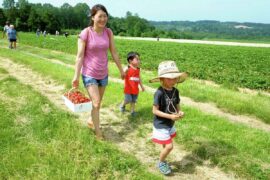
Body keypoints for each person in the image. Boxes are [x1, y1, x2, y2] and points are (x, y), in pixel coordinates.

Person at [72, 4, 125, 140]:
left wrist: (121, 69)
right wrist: (76, 76)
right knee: (95, 103)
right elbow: (79, 56)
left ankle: (91, 120)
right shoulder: (86, 33)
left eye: (105, 16)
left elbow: (114, 52)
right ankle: (98, 132)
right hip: (89, 73)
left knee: (98, 103)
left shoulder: (108, 32)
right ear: (93, 17)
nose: (103, 19)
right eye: (100, 16)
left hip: (103, 74)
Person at [149, 61, 188, 175]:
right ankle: (161, 162)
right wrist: (170, 116)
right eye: (169, 78)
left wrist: (179, 112)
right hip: (161, 124)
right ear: (162, 79)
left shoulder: (176, 91)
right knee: (170, 146)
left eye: (175, 78)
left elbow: (177, 105)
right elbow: (154, 110)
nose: (173, 80)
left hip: (170, 124)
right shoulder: (159, 93)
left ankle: (163, 157)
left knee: (166, 144)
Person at [119, 52, 145, 116]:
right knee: (128, 99)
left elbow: (139, 78)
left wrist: (142, 86)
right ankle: (122, 105)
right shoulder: (127, 68)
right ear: (130, 61)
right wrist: (125, 72)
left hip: (135, 89)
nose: (139, 61)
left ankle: (132, 112)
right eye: (137, 59)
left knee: (134, 100)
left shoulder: (138, 69)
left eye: (139, 59)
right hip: (128, 88)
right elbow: (122, 78)